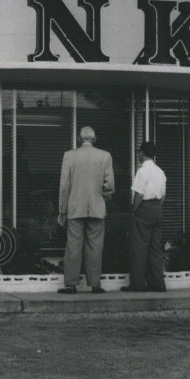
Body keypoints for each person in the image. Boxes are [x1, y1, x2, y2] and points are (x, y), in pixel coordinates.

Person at [56, 125, 115, 294]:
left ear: (79, 139)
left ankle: (71, 284)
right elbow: (110, 184)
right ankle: (95, 284)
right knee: (96, 246)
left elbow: (64, 186)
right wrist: (105, 195)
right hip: (97, 206)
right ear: (94, 139)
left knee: (73, 245)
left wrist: (62, 210)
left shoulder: (69, 156)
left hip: (75, 207)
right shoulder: (105, 156)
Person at [124, 140, 167, 292]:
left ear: (142, 153)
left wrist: (134, 210)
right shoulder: (160, 171)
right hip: (157, 208)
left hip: (144, 209)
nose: (138, 155)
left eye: (139, 152)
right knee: (155, 248)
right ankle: (157, 283)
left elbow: (139, 195)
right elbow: (162, 196)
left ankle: (137, 284)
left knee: (139, 247)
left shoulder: (142, 171)